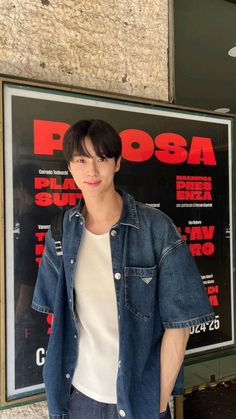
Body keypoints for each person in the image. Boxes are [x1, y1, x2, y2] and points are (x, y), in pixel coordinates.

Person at [32, 119, 215, 419]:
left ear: (117, 163)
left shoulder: (156, 229)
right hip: (80, 397)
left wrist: (156, 403)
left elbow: (179, 327)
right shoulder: (60, 231)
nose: (92, 170)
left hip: (139, 399)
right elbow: (59, 316)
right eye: (81, 159)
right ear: (70, 166)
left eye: (102, 158)